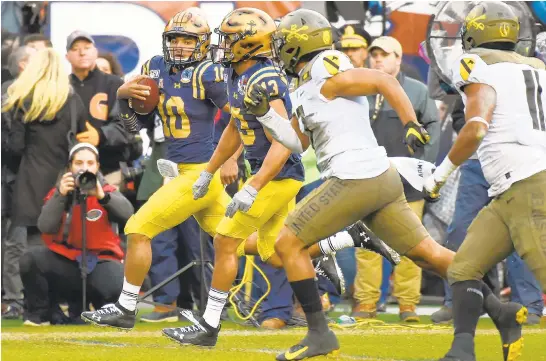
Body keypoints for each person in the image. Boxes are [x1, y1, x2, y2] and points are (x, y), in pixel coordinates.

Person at [251, 9, 517, 360]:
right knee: (430, 255)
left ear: (299, 44)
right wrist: (267, 115)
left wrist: (409, 121)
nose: (279, 50)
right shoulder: (305, 84)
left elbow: (384, 82)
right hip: (377, 179)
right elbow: (298, 142)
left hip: (355, 176)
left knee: (287, 245)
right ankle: (501, 311)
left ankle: (319, 335)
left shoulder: (325, 69)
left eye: (284, 43)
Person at [160, 7, 397, 346]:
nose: (222, 45)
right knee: (274, 253)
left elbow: (284, 144)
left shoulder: (264, 78)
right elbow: (234, 126)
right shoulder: (235, 74)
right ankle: (346, 237)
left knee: (225, 241)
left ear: (249, 44)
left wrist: (254, 186)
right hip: (267, 175)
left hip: (279, 176)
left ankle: (208, 325)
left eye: (229, 39)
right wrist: (209, 170)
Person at [422, 2, 546, 360]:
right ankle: (463, 349)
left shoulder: (475, 65)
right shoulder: (536, 67)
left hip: (526, 184)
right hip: (509, 189)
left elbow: (475, 128)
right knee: (464, 267)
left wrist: (439, 175)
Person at [352, 36, 440, 322]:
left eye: (385, 55)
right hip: (367, 179)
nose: (377, 59)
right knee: (367, 246)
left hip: (407, 183)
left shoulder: (416, 90)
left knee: (412, 245)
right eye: (374, 54)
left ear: (399, 59)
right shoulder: (358, 89)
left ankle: (407, 305)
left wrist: (425, 167)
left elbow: (433, 126)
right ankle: (366, 303)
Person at [2, 48, 87, 318]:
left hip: (28, 181)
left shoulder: (21, 100)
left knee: (25, 250)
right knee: (64, 246)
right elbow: (80, 140)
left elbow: (14, 148)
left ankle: (29, 305)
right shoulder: (73, 101)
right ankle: (66, 305)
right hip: (64, 181)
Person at [20, 143, 133, 325]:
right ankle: (40, 314)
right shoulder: (60, 191)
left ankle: (104, 308)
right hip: (67, 263)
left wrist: (102, 196)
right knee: (30, 259)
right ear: (70, 167)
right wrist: (60, 195)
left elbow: (129, 215)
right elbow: (45, 226)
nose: (84, 168)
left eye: (90, 163)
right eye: (79, 163)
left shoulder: (108, 192)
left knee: (116, 282)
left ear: (97, 167)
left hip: (100, 262)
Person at [66, 30, 131, 178]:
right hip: (68, 170)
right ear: (67, 57)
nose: (82, 53)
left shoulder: (115, 84)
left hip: (109, 169)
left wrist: (101, 135)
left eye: (87, 48)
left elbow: (127, 127)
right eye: (75, 49)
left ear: (95, 52)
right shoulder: (61, 87)